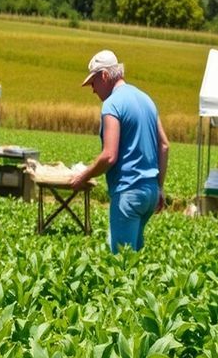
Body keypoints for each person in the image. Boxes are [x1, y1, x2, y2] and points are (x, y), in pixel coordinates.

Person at [70, 50, 170, 253]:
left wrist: (84, 175)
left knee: (121, 264)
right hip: (149, 193)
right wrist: (158, 188)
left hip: (129, 192)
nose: (93, 90)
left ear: (105, 76)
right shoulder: (147, 100)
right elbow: (164, 145)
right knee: (135, 259)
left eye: (93, 83)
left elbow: (109, 155)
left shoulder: (112, 105)